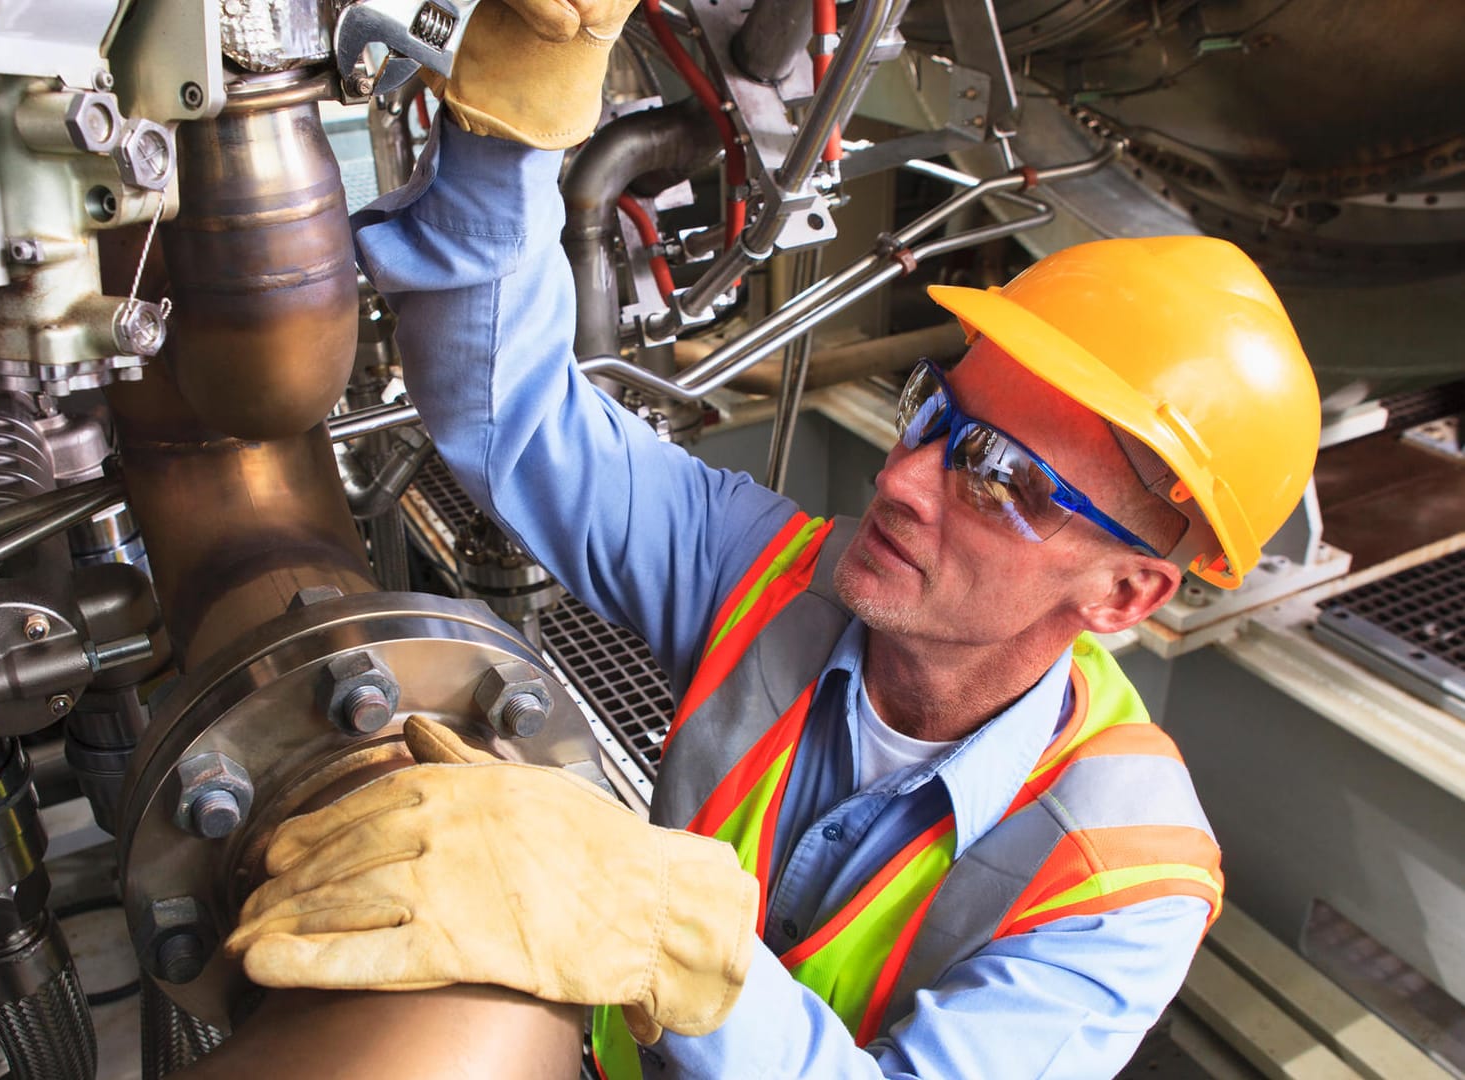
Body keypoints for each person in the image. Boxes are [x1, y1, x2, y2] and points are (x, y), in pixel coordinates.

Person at [224, 0, 1322, 1074]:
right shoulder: (775, 575)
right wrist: (514, 124)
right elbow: (511, 415)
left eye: (998, 478)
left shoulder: (1124, 880)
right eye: (935, 413)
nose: (903, 480)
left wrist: (657, 932)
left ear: (1125, 597)